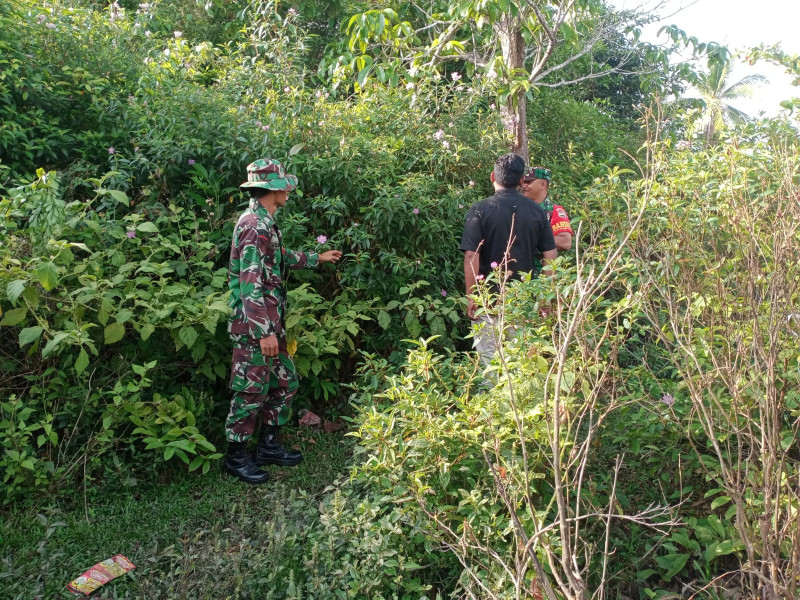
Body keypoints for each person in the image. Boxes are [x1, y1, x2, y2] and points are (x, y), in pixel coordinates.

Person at [224, 158, 342, 485]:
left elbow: (279, 257)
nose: (289, 190)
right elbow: (249, 284)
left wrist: (316, 258)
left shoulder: (265, 222)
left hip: (270, 324)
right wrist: (263, 333)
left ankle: (269, 447)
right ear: (273, 189)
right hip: (254, 329)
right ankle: (236, 457)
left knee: (286, 381)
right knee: (250, 392)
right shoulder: (253, 226)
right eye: (285, 185)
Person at [460, 153, 557, 367]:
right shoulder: (537, 212)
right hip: (524, 304)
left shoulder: (479, 210)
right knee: (523, 368)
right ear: (522, 181)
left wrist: (473, 296)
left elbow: (471, 255)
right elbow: (550, 256)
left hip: (488, 305)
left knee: (490, 368)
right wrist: (545, 299)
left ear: (493, 176)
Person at [521, 166, 573, 252]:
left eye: (528, 182)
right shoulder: (517, 207)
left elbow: (565, 242)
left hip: (540, 264)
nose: (523, 185)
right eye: (523, 181)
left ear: (543, 184)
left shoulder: (554, 211)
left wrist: (530, 237)